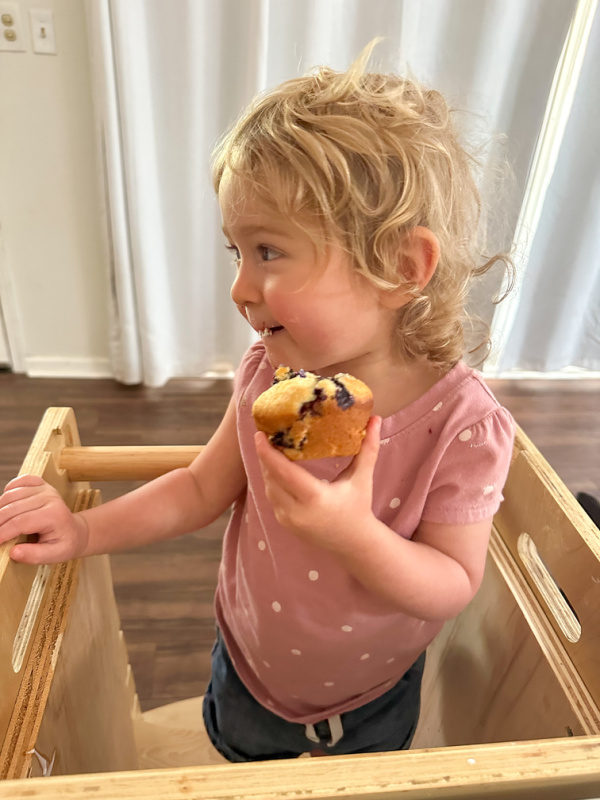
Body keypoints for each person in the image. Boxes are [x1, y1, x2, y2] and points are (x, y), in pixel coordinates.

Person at [0, 43, 515, 761]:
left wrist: (352, 535)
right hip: (246, 671)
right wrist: (85, 535)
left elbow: (452, 584)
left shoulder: (465, 428)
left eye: (268, 252)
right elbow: (199, 487)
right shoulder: (268, 374)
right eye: (234, 252)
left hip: (375, 696)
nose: (241, 287)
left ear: (399, 267)